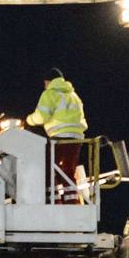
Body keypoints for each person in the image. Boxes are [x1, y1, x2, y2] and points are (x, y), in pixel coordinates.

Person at [25, 68, 87, 203]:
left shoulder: (50, 94)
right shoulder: (74, 96)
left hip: (59, 137)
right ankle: (71, 201)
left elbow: (42, 116)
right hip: (76, 137)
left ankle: (53, 199)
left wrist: (29, 120)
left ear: (47, 82)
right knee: (68, 170)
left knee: (47, 167)